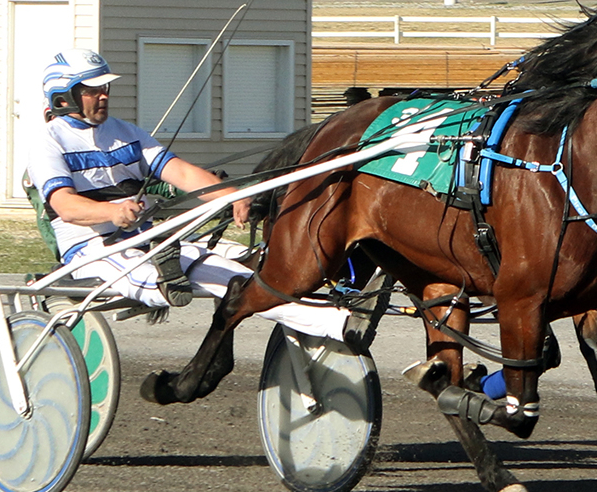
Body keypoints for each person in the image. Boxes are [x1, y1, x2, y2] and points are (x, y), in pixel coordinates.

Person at [28, 49, 360, 372]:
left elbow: (182, 173)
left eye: (105, 88)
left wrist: (230, 196)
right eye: (92, 90)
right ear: (64, 96)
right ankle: (164, 278)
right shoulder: (49, 142)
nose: (103, 96)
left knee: (245, 281)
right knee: (141, 273)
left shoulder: (126, 133)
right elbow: (65, 206)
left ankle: (340, 324)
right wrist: (112, 213)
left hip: (147, 237)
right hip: (91, 245)